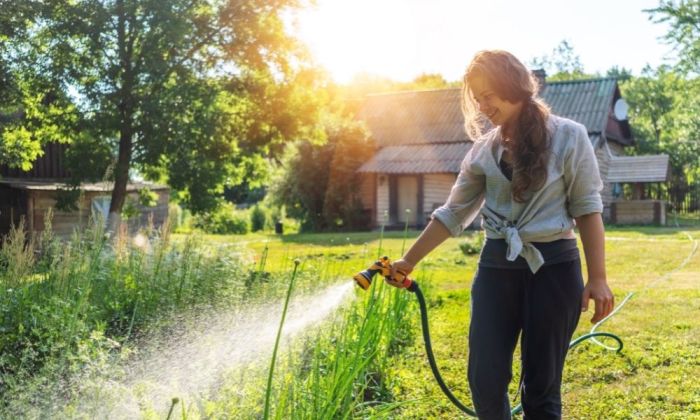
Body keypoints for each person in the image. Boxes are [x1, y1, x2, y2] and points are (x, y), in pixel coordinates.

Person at [387, 50, 615, 419]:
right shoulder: (482, 151)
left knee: (541, 386)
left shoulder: (570, 137)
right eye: (477, 98)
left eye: (488, 94)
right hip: (496, 268)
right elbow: (453, 213)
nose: (482, 105)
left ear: (514, 86)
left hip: (554, 268)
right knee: (485, 377)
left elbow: (587, 208)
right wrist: (408, 261)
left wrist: (599, 278)